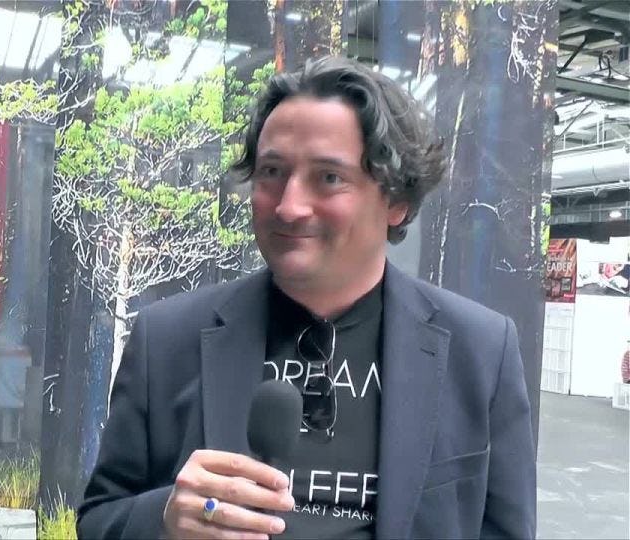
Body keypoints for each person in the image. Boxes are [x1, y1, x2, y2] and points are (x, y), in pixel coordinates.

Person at [78, 56, 535, 540]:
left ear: (397, 202)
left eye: (329, 177)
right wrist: (165, 518)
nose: (289, 206)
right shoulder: (167, 340)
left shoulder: (480, 351)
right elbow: (98, 520)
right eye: (272, 171)